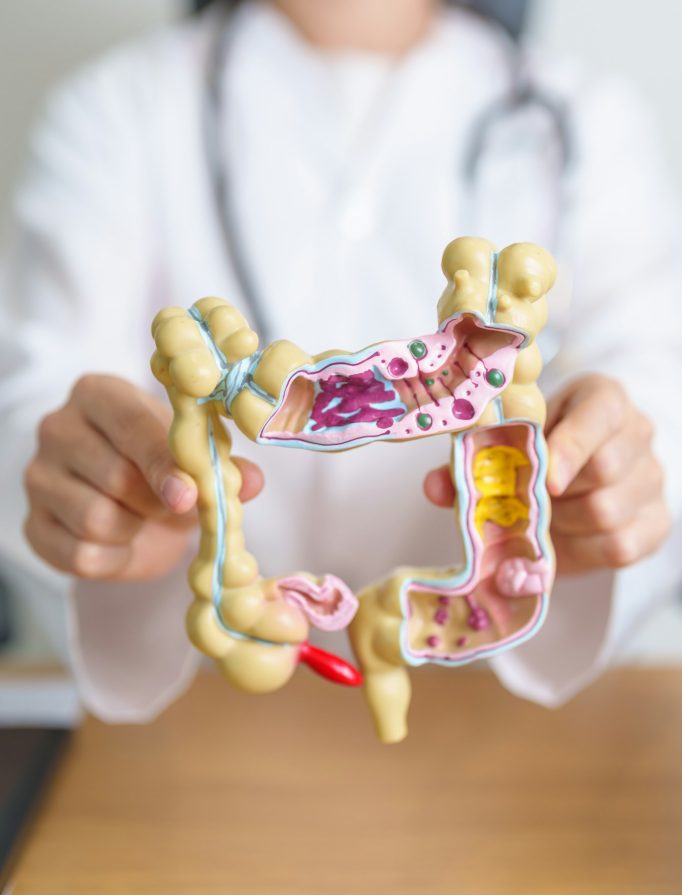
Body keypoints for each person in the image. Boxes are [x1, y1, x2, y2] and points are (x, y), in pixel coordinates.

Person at [0, 0, 679, 721]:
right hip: (206, 726)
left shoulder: (592, 121)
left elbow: (657, 389)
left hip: (498, 736)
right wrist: (89, 492)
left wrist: (616, 480)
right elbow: (34, 401)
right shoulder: (119, 110)